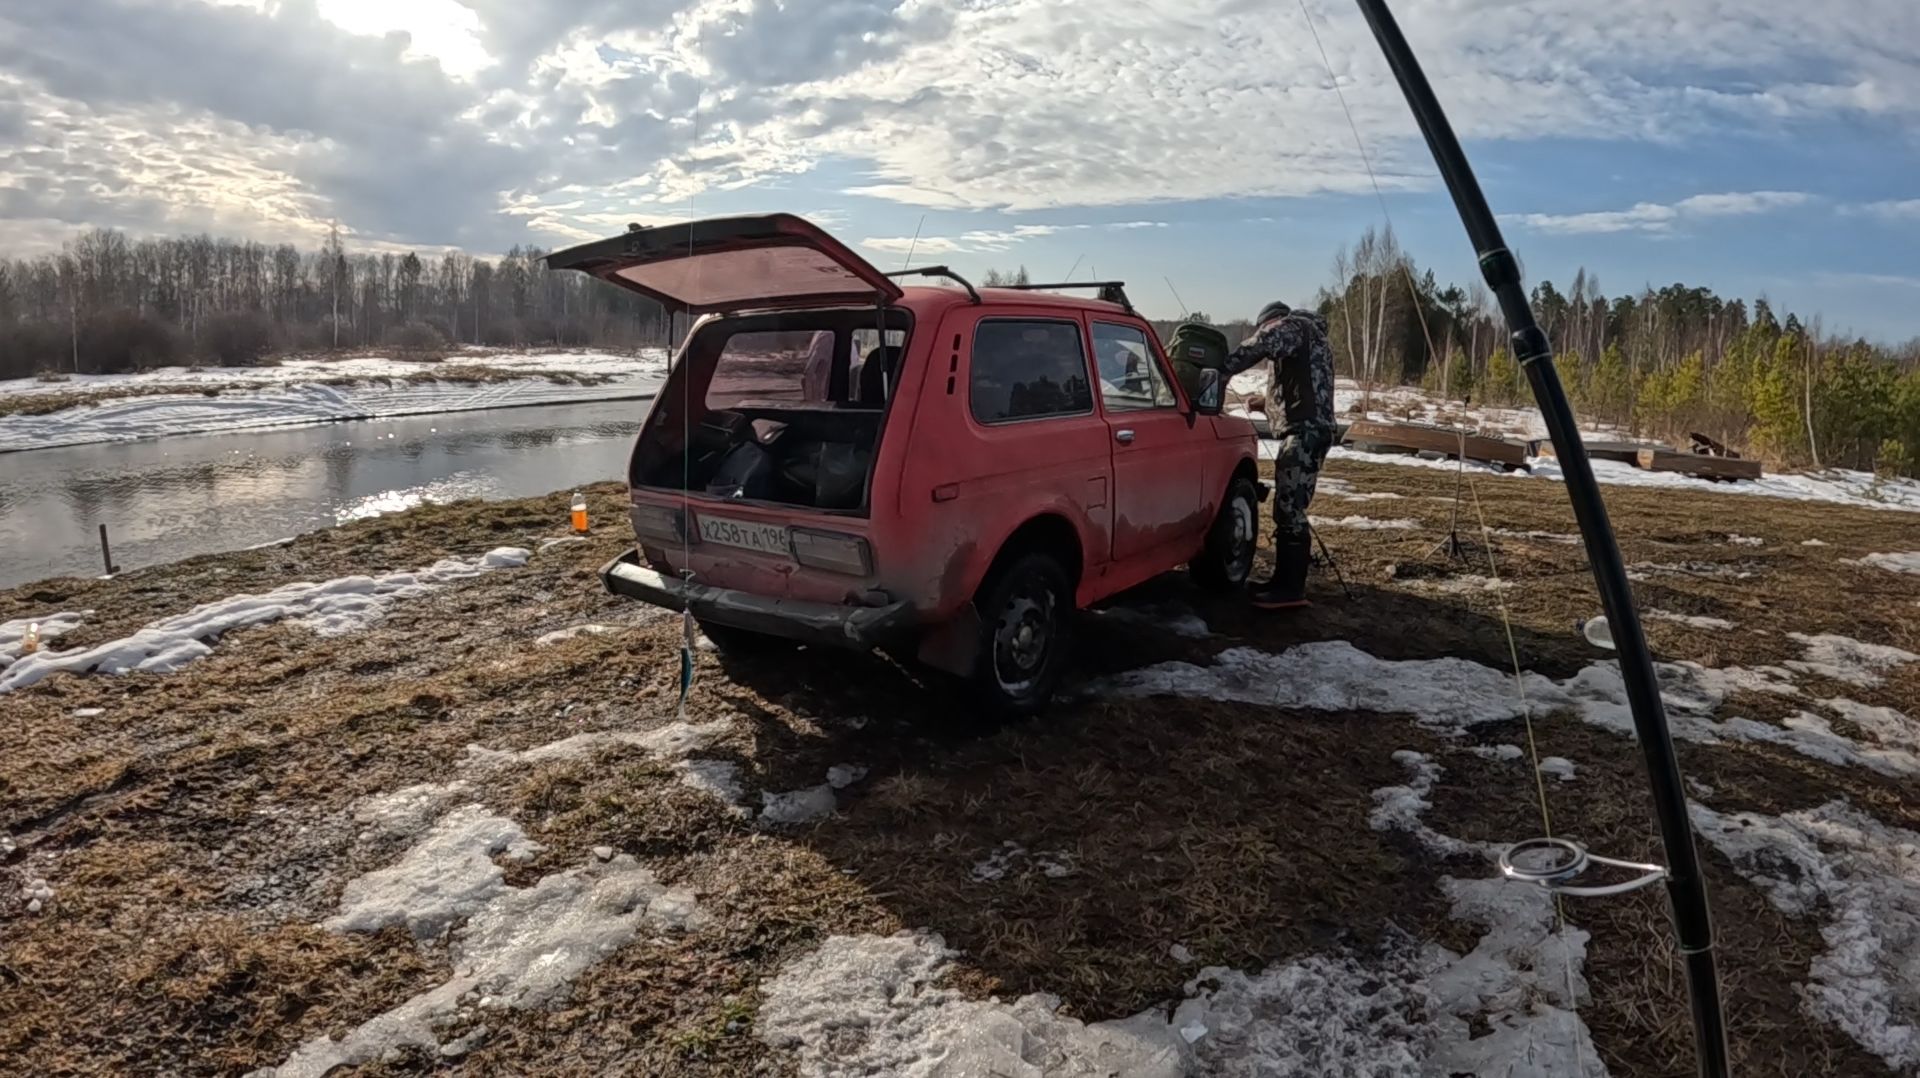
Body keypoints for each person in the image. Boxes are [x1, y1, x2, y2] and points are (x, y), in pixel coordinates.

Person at [1222, 301, 1336, 609]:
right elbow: (1302, 388)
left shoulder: (1293, 328)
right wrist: (1266, 403)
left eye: (1266, 328)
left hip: (1304, 433)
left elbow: (1264, 343)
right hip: (1308, 430)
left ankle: (1290, 589)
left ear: (1272, 322)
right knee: (1288, 505)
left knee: (1289, 509)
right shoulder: (1308, 336)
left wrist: (1224, 367)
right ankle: (1283, 583)